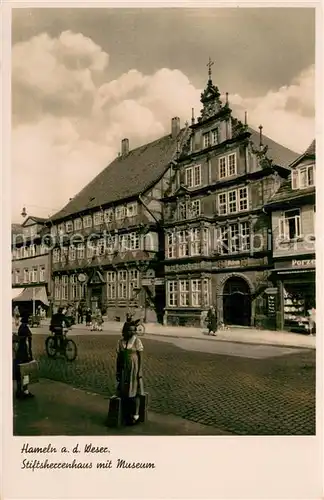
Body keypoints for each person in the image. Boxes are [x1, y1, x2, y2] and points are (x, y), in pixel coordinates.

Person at [116, 321, 144, 425]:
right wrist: (118, 371)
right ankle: (125, 414)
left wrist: (139, 371)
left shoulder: (136, 341)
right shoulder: (120, 342)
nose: (132, 333)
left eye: (134, 330)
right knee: (125, 391)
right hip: (124, 369)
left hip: (134, 369)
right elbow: (118, 358)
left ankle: (135, 414)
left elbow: (140, 357)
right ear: (125, 331)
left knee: (135, 392)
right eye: (129, 330)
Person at [14, 313, 34, 399]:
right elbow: (29, 341)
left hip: (19, 353)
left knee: (19, 372)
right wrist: (30, 354)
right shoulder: (25, 328)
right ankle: (25, 391)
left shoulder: (20, 328)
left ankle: (18, 391)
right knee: (26, 372)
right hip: (24, 353)